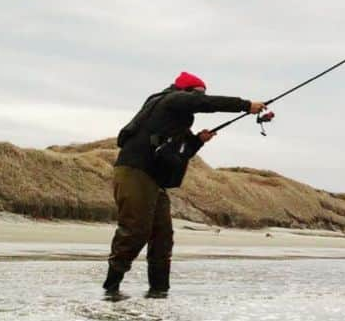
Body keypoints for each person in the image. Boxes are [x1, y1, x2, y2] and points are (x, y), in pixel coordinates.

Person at [102, 71, 265, 298]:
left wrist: (197, 141)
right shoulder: (172, 99)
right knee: (135, 230)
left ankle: (159, 295)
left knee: (162, 238)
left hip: (154, 179)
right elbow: (206, 103)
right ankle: (110, 289)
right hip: (135, 172)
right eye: (198, 94)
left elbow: (180, 153)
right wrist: (246, 106)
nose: (200, 97)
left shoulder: (173, 119)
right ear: (185, 91)